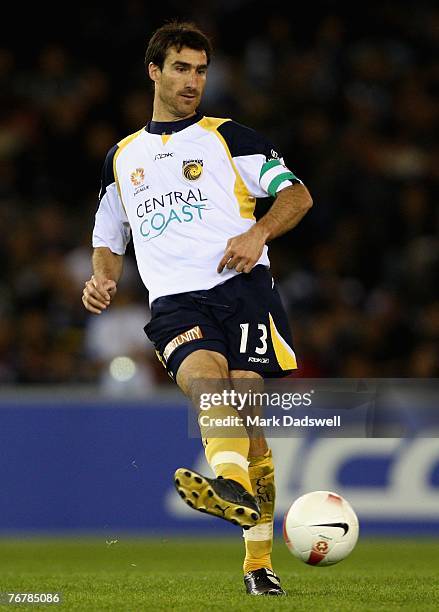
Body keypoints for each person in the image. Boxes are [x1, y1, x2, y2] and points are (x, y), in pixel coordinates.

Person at [82, 21, 313, 596]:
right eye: (181, 68)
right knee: (209, 386)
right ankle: (230, 486)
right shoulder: (122, 158)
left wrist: (258, 232)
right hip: (176, 301)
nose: (193, 81)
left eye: (201, 70)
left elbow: (297, 195)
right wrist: (101, 279)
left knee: (248, 419)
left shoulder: (229, 137)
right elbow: (110, 240)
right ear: (154, 71)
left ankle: (256, 563)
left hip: (244, 290)